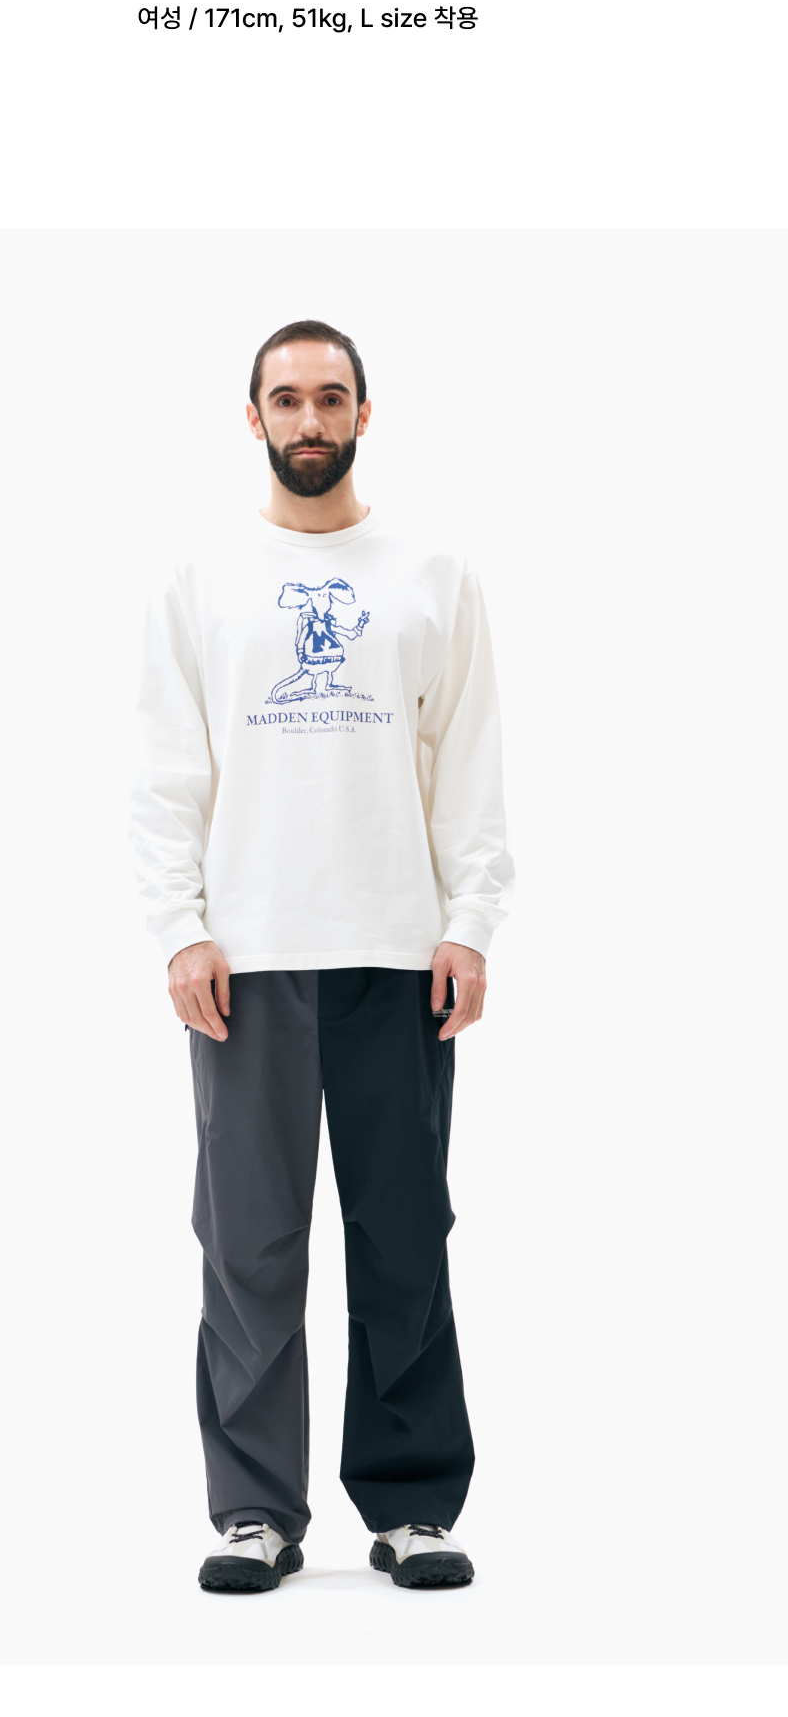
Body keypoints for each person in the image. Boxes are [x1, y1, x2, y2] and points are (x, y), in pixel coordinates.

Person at [130, 304, 513, 1589]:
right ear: (253, 417)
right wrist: (181, 930)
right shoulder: (199, 580)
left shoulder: (433, 575)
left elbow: (469, 764)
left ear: (363, 413)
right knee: (248, 1240)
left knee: (403, 1233)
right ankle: (255, 1511)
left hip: (398, 949)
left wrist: (469, 923)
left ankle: (412, 1507)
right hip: (247, 955)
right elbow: (165, 774)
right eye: (286, 399)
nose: (309, 419)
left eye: (330, 397)